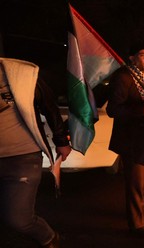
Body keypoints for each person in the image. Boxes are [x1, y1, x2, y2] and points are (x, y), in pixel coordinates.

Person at [0, 58, 72, 248]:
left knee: (18, 219)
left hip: (22, 157)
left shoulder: (20, 73)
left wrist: (61, 141)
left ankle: (49, 238)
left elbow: (49, 106)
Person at [106, 44, 144, 238]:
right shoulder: (124, 77)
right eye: (143, 55)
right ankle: (137, 226)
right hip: (132, 139)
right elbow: (113, 110)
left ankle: (143, 216)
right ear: (132, 58)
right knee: (136, 183)